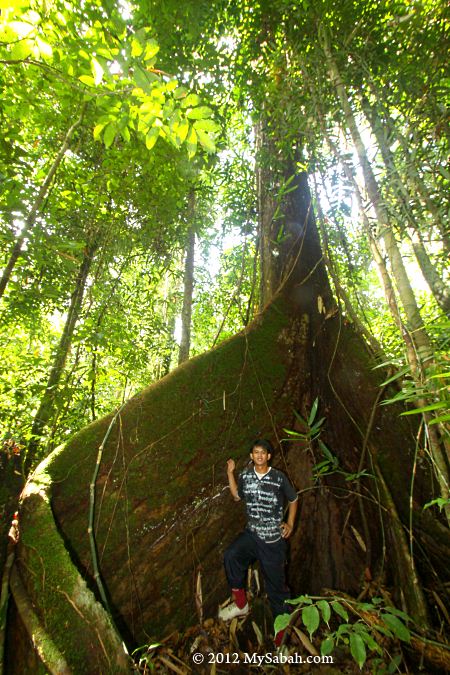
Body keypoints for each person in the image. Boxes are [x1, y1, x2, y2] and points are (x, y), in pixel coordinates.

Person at [218, 439, 298, 644]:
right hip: (252, 535)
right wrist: (230, 472)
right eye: (256, 452)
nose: (259, 455)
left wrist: (289, 523)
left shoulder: (279, 478)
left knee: (276, 590)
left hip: (272, 540)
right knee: (231, 556)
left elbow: (293, 499)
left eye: (263, 452)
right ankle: (241, 604)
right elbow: (237, 496)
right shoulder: (245, 475)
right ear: (252, 456)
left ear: (268, 456)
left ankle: (282, 641)